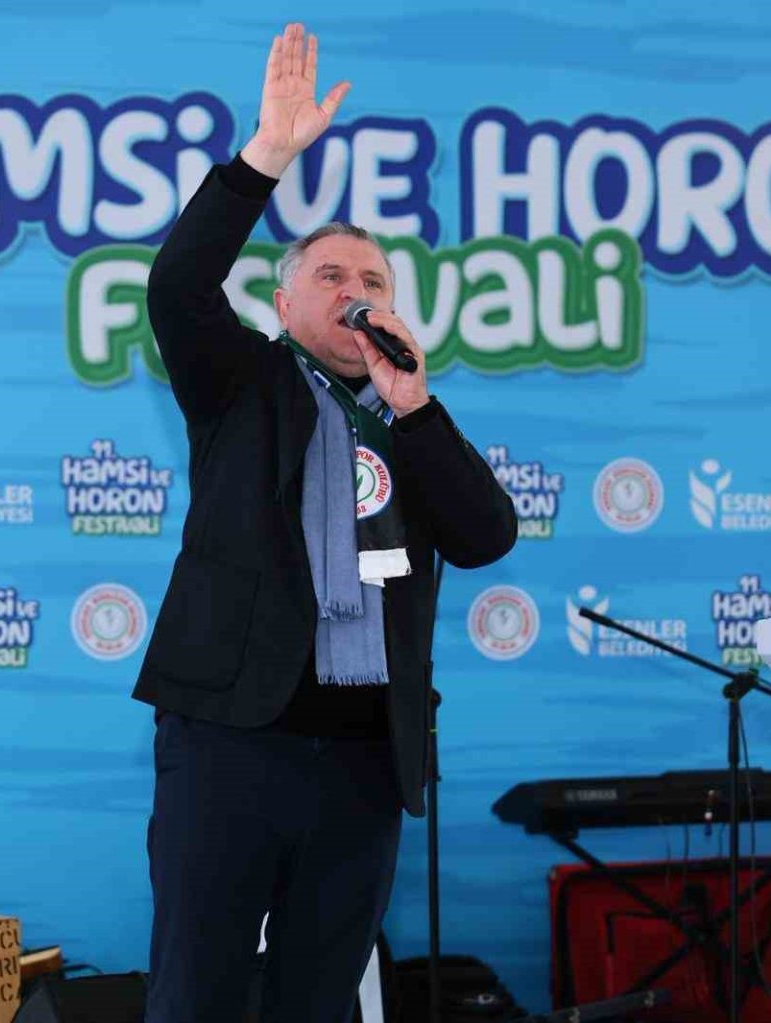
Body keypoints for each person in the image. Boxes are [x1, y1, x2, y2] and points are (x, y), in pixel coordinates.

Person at [133, 23, 518, 1023]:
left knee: (319, 1002)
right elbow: (176, 286)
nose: (356, 295)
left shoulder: (409, 419)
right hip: (232, 745)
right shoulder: (240, 384)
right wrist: (267, 154)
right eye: (333, 278)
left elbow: (486, 535)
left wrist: (416, 407)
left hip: (363, 760)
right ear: (282, 299)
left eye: (374, 283)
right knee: (197, 993)